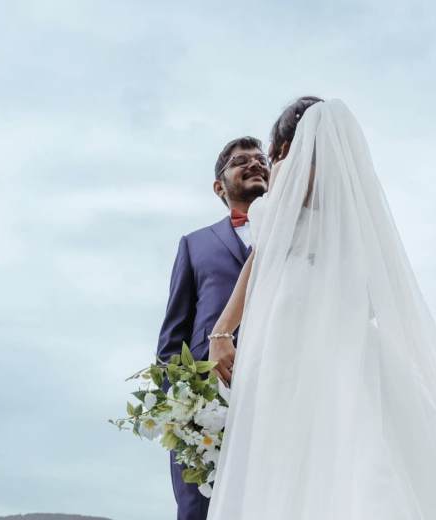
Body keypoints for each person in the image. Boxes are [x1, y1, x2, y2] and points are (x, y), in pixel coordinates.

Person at [206, 97, 436, 519]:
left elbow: (258, 266)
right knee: (369, 446)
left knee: (300, 455)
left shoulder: (280, 197)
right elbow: (367, 298)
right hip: (352, 342)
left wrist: (222, 330)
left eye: (275, 151)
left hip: (291, 340)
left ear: (287, 145)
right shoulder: (355, 209)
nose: (273, 162)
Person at [156, 136, 270, 520]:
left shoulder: (305, 234)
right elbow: (173, 337)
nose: (255, 163)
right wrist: (182, 410)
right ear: (219, 186)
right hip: (209, 405)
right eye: (242, 160)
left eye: (261, 159)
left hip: (280, 390)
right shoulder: (194, 244)